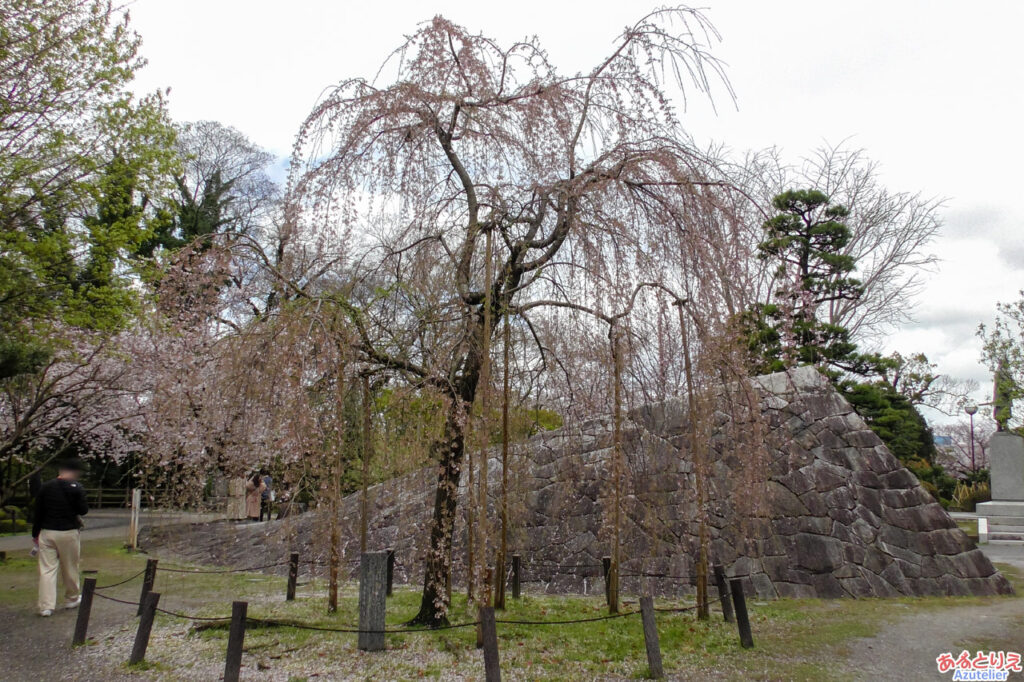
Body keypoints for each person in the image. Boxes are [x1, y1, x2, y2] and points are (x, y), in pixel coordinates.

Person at [32, 458, 89, 617]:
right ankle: (71, 597)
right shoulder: (76, 488)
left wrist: (35, 534)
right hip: (68, 532)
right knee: (70, 565)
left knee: (47, 569)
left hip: (47, 532)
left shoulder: (46, 487)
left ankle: (46, 606)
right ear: (74, 472)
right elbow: (83, 510)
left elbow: (38, 512)